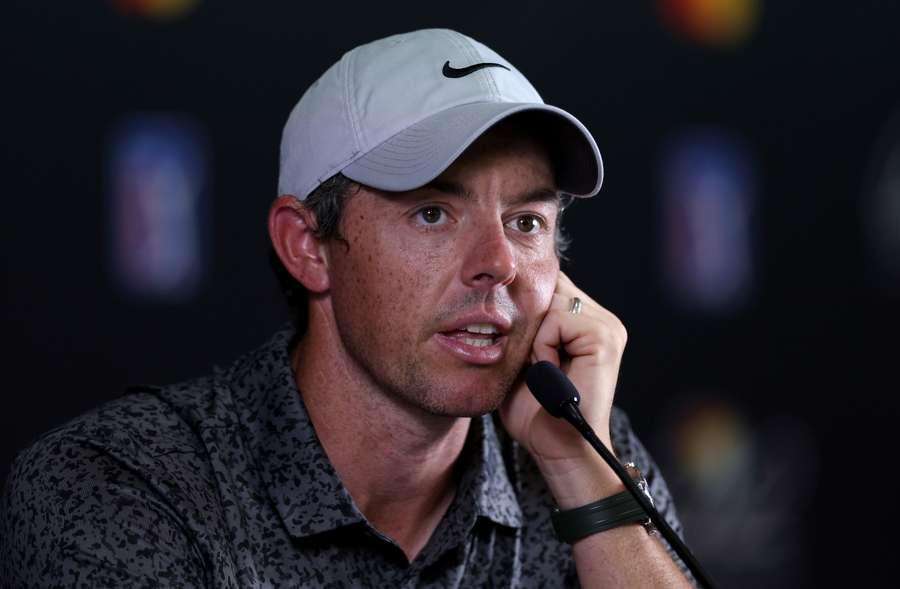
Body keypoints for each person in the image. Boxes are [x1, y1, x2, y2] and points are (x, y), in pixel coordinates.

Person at [1, 29, 693, 587]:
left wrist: (581, 468)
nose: (500, 263)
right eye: (432, 212)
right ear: (308, 246)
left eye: (527, 221)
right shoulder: (126, 483)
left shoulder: (585, 449)